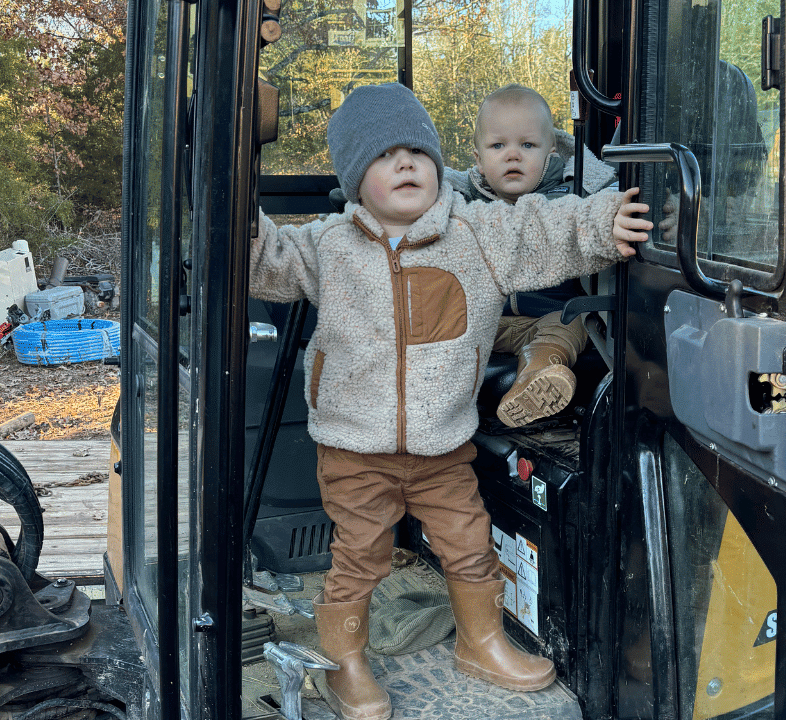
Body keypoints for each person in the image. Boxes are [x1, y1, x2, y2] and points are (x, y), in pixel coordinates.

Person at [248, 83, 652, 720]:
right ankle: (346, 664)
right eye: (385, 157)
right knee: (359, 556)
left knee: (469, 545)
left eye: (418, 151)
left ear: (441, 166)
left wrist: (605, 223)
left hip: (441, 447)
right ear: (356, 179)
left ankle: (481, 641)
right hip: (355, 450)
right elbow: (265, 260)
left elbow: (545, 228)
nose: (406, 163)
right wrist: (234, 202)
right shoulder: (329, 246)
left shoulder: (477, 233)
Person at [461, 84, 618, 428]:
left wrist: (659, 212)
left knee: (571, 325)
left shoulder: (571, 193)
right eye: (498, 145)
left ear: (551, 152)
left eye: (527, 145)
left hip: (554, 314)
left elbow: (615, 203)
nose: (513, 155)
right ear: (479, 159)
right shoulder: (465, 200)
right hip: (491, 321)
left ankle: (537, 378)